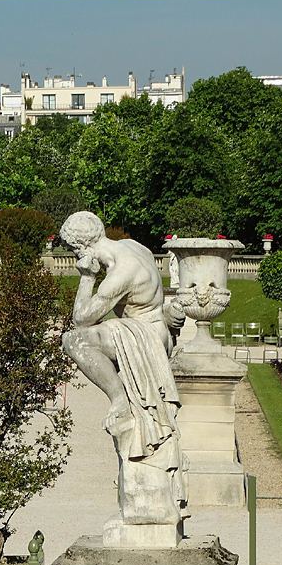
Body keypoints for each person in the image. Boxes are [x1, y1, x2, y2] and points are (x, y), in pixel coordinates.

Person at [59, 211, 186, 521]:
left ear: (81, 249)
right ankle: (125, 402)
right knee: (85, 338)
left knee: (74, 341)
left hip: (144, 336)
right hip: (153, 330)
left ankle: (120, 401)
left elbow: (82, 318)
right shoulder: (133, 246)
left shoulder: (120, 272)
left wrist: (87, 277)